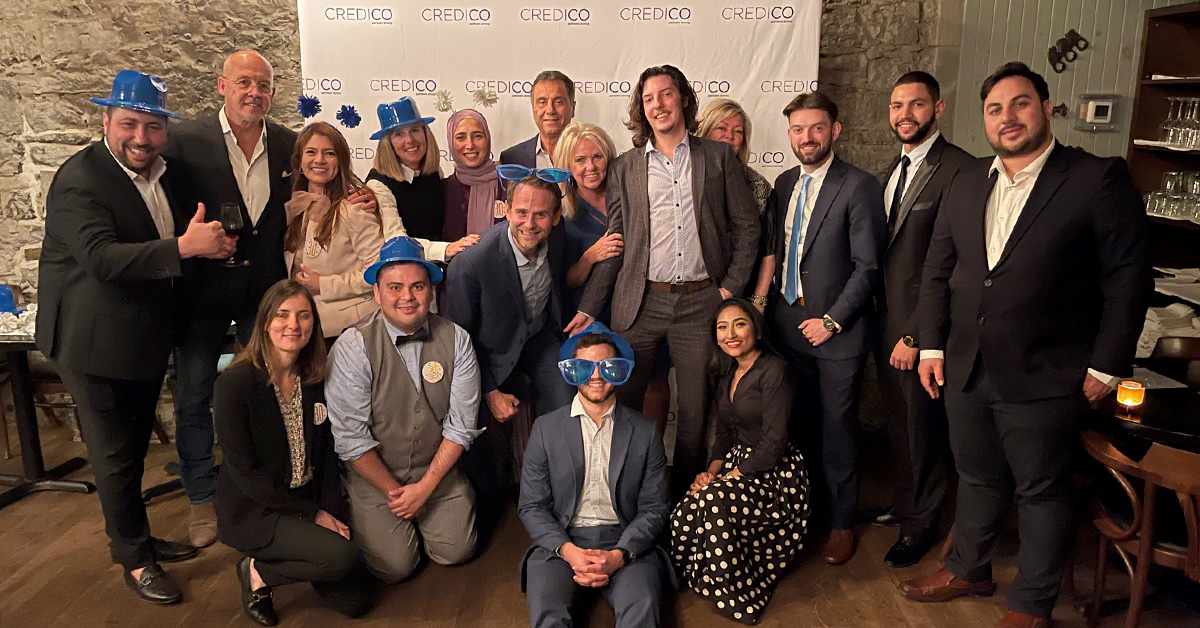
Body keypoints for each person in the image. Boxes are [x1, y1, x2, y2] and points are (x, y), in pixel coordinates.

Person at [899, 62, 1151, 628]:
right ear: (984, 121)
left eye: (1020, 104)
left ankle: (1031, 604)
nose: (1007, 118)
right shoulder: (967, 181)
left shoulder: (1094, 178)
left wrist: (1109, 365)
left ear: (1045, 107)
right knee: (977, 475)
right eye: (995, 109)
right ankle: (969, 568)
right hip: (965, 365)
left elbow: (1129, 278)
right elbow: (939, 270)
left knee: (1041, 492)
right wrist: (932, 346)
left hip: (1048, 370)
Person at [36, 70, 236, 604]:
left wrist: (205, 249)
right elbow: (101, 259)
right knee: (117, 455)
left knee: (133, 449)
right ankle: (134, 559)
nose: (141, 138)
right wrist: (185, 248)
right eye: (129, 124)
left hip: (143, 340)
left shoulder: (165, 174)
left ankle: (140, 540)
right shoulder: (80, 178)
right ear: (106, 121)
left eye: (152, 127)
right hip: (93, 342)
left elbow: (166, 248)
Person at [164, 50, 375, 545]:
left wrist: (364, 194)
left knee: (280, 391)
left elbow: (329, 178)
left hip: (263, 296)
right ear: (222, 86)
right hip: (202, 292)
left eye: (262, 85)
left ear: (273, 93)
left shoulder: (288, 144)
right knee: (196, 396)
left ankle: (278, 491)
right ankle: (202, 499)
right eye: (243, 82)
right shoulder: (183, 141)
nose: (253, 92)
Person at [565, 65, 759, 495]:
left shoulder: (717, 157)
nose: (659, 104)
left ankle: (681, 503)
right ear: (642, 109)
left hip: (700, 302)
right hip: (640, 303)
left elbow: (747, 228)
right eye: (649, 98)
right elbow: (615, 245)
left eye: (667, 94)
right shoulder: (625, 168)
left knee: (694, 411)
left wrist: (727, 290)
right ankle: (627, 494)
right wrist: (586, 307)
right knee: (622, 405)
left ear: (684, 100)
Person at [767, 92, 886, 566]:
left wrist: (833, 321)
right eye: (798, 129)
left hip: (837, 333)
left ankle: (841, 524)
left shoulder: (859, 185)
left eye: (816, 128)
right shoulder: (783, 183)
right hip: (787, 328)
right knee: (799, 425)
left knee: (838, 431)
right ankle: (806, 513)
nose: (807, 137)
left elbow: (869, 266)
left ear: (835, 131)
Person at [214, 279, 376, 625]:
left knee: (357, 601)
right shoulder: (235, 384)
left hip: (308, 495)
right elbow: (245, 474)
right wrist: (313, 515)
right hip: (260, 508)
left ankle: (307, 555)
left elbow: (328, 456)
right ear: (265, 322)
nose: (294, 325)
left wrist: (333, 511)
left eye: (304, 316)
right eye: (283, 315)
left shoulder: (315, 378)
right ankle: (258, 573)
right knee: (341, 557)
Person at [326, 236, 482, 584]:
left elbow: (461, 426)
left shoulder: (457, 339)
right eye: (394, 287)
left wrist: (425, 488)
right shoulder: (352, 346)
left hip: (436, 472)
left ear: (431, 291)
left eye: (417, 286)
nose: (407, 297)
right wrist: (396, 494)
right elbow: (351, 440)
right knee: (395, 568)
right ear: (377, 293)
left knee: (456, 551)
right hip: (376, 477)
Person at [867, 71, 974, 569]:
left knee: (922, 430)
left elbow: (955, 265)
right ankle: (907, 503)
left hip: (919, 329)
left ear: (939, 108)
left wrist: (917, 333)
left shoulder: (960, 170)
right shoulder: (896, 167)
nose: (903, 115)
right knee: (900, 425)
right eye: (895, 105)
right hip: (883, 322)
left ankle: (922, 525)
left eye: (915, 105)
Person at [518, 322, 671, 628]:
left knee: (643, 610)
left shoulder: (645, 431)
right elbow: (531, 506)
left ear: (620, 371)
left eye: (606, 366)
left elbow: (655, 508)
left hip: (626, 541)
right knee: (547, 614)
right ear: (571, 372)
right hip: (562, 542)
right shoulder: (545, 429)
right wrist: (569, 551)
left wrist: (620, 554)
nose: (597, 376)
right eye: (585, 367)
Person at [670, 298, 809, 624]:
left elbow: (774, 443)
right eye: (722, 327)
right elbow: (724, 438)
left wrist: (730, 477)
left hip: (776, 474)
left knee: (715, 501)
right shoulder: (728, 375)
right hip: (736, 463)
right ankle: (689, 577)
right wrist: (710, 472)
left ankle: (738, 595)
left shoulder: (774, 370)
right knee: (690, 503)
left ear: (756, 330)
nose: (730, 333)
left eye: (739, 324)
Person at [446, 172, 574, 515]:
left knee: (566, 404)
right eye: (521, 212)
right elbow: (458, 343)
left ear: (556, 217)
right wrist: (488, 390)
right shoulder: (471, 263)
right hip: (486, 355)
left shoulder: (557, 237)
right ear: (505, 209)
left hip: (539, 341)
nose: (530, 224)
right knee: (484, 448)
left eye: (541, 214)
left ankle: (554, 497)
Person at [284, 122, 386, 340]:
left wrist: (324, 284)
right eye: (311, 152)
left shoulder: (354, 208)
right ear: (300, 161)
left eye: (329, 153)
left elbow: (379, 272)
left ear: (341, 162)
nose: (319, 160)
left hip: (353, 330)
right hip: (310, 328)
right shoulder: (295, 207)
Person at [363, 97, 479, 263]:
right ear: (387, 143)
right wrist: (446, 249)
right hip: (408, 270)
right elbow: (397, 241)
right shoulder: (379, 185)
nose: (409, 140)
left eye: (415, 130)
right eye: (398, 134)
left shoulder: (431, 172)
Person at [696, 97, 776, 310]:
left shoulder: (758, 186)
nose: (729, 137)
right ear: (704, 131)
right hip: (690, 292)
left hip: (741, 295)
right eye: (721, 128)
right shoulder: (682, 177)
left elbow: (768, 248)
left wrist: (758, 300)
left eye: (738, 131)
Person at [551, 122, 623, 310]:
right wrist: (590, 257)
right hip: (588, 313)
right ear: (567, 165)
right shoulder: (561, 215)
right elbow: (563, 282)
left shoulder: (627, 197)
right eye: (580, 160)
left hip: (633, 309)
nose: (590, 167)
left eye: (597, 157)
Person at [443, 109, 505, 243]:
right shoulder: (443, 190)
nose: (470, 145)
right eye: (461, 138)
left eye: (477, 136)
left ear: (487, 138)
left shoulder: (509, 185)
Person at [501, 70, 577, 169]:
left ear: (573, 108)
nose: (550, 110)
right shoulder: (511, 160)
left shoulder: (591, 155)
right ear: (533, 108)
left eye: (558, 102)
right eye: (542, 102)